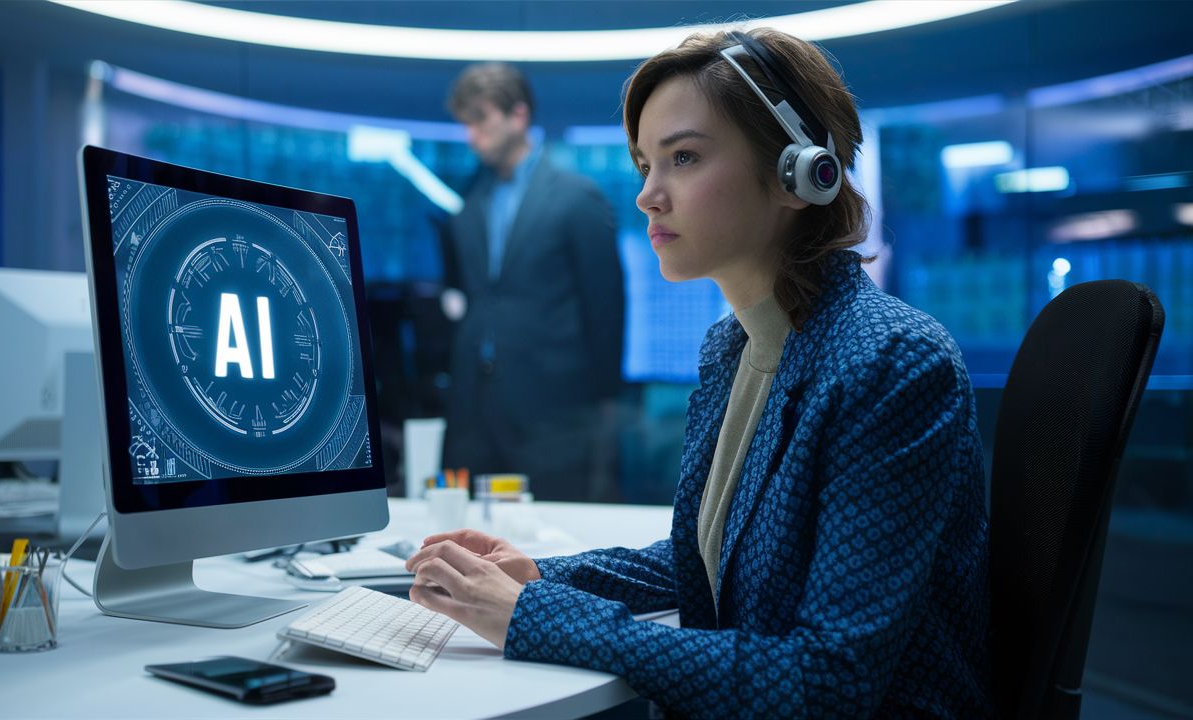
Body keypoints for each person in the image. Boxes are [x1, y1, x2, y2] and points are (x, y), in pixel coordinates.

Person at [406, 28, 991, 718]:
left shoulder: (891, 363)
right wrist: (537, 576)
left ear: (800, 173)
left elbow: (827, 684)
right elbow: (707, 563)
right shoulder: (732, 349)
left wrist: (535, 617)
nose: (648, 196)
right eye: (644, 165)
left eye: (683, 157)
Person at [438, 62, 625, 503]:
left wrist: (605, 400)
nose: (471, 135)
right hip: (472, 408)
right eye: (465, 123)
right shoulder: (468, 204)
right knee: (463, 531)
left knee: (555, 529)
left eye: (480, 119)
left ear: (518, 114)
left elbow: (606, 305)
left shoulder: (576, 198)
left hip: (554, 410)